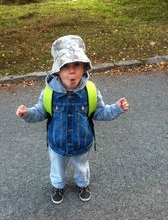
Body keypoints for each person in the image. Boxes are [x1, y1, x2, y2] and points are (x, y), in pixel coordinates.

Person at [16, 35, 129, 204]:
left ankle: (83, 184)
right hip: (57, 143)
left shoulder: (90, 91)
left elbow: (100, 112)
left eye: (76, 64)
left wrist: (117, 108)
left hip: (81, 143)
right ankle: (58, 186)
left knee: (82, 168)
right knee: (57, 170)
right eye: (65, 66)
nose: (72, 70)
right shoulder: (49, 93)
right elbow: (40, 112)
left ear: (84, 67)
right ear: (57, 70)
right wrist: (26, 114)